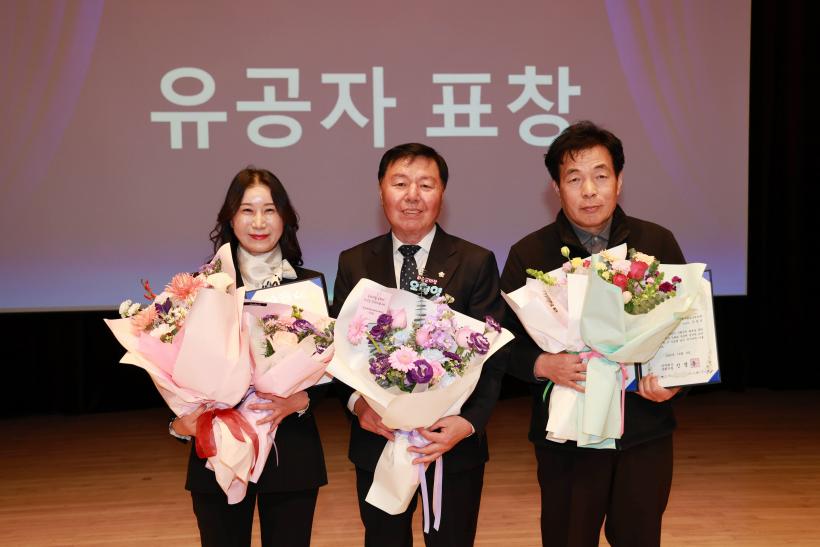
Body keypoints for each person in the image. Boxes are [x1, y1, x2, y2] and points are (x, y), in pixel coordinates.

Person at [500, 121, 685, 547]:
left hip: (643, 430)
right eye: (574, 179)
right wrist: (541, 364)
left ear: (619, 181)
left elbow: (684, 326)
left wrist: (675, 382)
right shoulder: (530, 253)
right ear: (555, 187)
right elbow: (502, 343)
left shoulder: (656, 242)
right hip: (567, 436)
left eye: (601, 176)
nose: (589, 190)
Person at [331, 143, 506, 547]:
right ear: (381, 191)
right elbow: (337, 350)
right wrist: (358, 406)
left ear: (442, 193)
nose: (412, 196)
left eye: (426, 185)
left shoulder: (476, 261)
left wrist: (468, 422)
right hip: (379, 439)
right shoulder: (354, 262)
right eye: (400, 184)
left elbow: (494, 355)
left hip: (451, 443)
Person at [170, 167, 329, 547]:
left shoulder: (309, 284)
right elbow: (172, 364)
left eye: (270, 210)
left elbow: (331, 363)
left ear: (285, 218)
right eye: (247, 210)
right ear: (230, 217)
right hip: (218, 454)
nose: (259, 222)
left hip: (290, 453)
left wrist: (301, 400)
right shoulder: (200, 287)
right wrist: (178, 424)